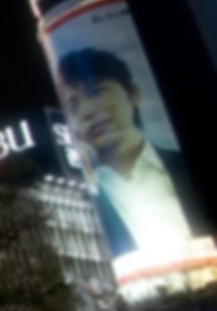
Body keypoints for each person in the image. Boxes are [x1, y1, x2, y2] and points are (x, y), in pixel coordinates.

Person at [56, 48, 204, 256]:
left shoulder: (188, 164)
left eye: (96, 92)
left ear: (133, 93)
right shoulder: (83, 200)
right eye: (73, 105)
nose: (88, 111)